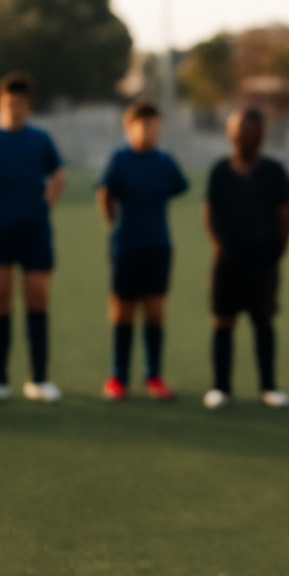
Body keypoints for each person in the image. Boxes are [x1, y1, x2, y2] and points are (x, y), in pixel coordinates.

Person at [0, 72, 66, 403]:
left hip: (34, 231)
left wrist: (47, 201)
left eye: (19, 104)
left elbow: (58, 173)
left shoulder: (40, 139)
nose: (13, 109)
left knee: (36, 296)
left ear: (28, 106)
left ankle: (39, 378)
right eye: (7, 104)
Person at [96, 99, 190, 401]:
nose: (148, 130)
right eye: (142, 124)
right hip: (126, 245)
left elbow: (179, 186)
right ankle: (117, 377)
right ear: (129, 127)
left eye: (153, 124)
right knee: (123, 313)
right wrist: (114, 227)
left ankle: (154, 377)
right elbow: (105, 195)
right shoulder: (119, 160)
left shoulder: (164, 162)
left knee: (155, 312)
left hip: (158, 245)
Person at [203, 107, 289, 409]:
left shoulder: (273, 171)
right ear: (229, 131)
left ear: (262, 133)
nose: (244, 132)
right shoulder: (219, 171)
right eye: (239, 126)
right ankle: (220, 387)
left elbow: (286, 214)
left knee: (263, 322)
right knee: (222, 322)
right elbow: (209, 212)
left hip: (263, 259)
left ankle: (268, 386)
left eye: (251, 127)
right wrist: (217, 244)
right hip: (227, 261)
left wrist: (278, 249)